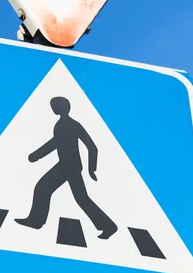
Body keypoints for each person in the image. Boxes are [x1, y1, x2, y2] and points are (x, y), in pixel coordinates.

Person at [15, 96, 118, 240]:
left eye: (55, 105)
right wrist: (36, 155)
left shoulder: (73, 125)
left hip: (72, 167)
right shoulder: (60, 125)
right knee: (43, 188)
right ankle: (35, 221)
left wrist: (91, 169)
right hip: (64, 165)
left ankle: (109, 226)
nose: (53, 108)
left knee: (80, 198)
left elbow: (92, 147)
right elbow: (55, 143)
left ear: (62, 107)